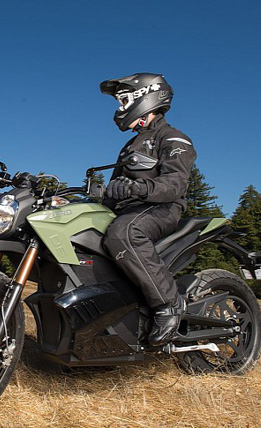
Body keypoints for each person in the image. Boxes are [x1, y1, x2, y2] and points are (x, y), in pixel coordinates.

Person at [99, 73, 196, 346]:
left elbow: (175, 183)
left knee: (124, 233)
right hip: (131, 209)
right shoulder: (130, 146)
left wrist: (139, 188)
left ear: (146, 97)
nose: (120, 108)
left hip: (162, 208)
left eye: (124, 101)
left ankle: (168, 304)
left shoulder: (173, 138)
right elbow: (115, 188)